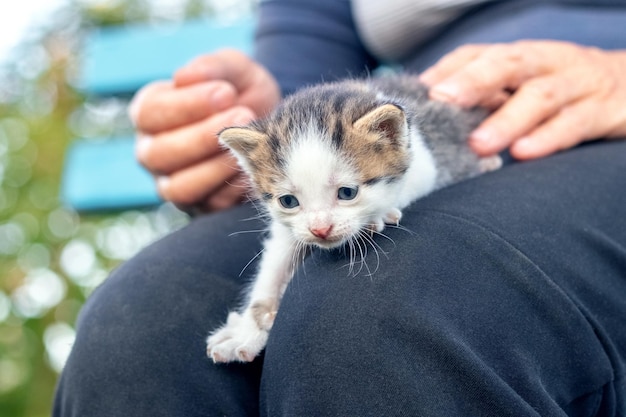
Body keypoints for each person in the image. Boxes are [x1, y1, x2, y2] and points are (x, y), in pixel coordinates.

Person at [54, 0, 626, 415]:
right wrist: (257, 114)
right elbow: (301, 63)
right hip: (365, 145)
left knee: (377, 311)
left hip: (595, 136)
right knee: (138, 325)